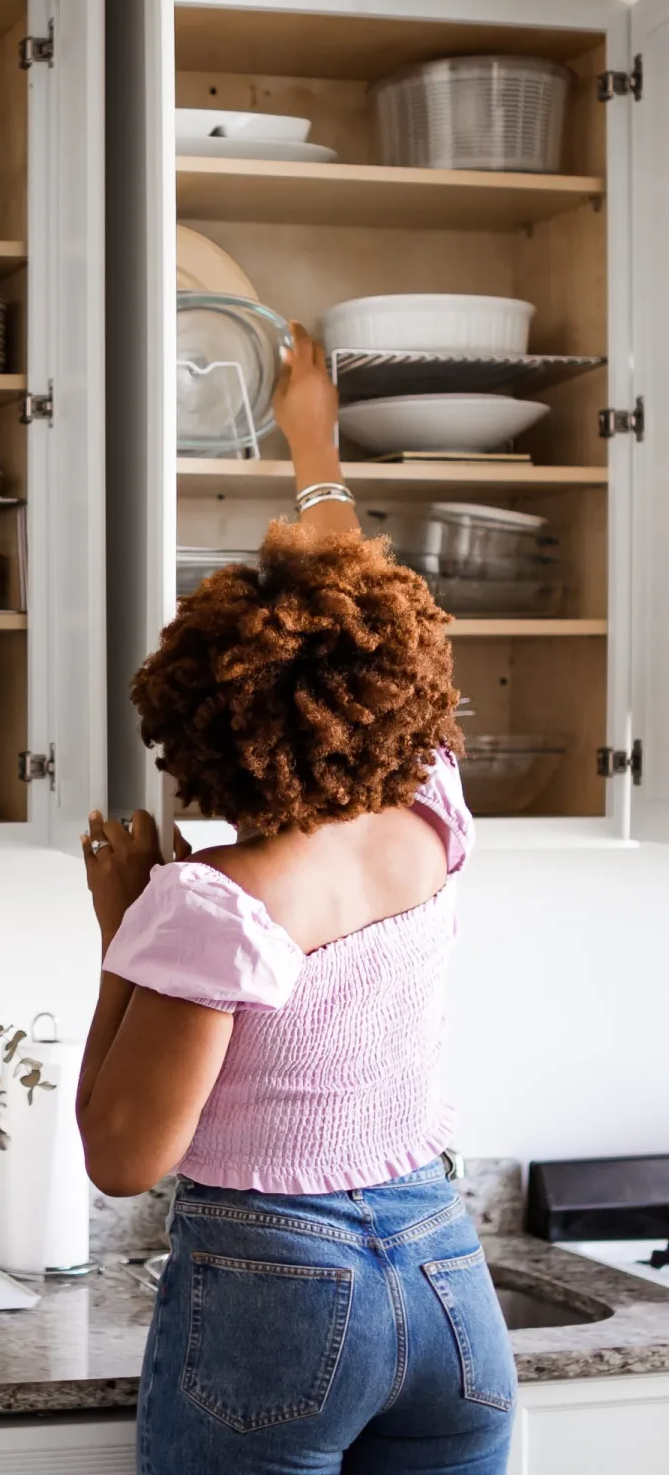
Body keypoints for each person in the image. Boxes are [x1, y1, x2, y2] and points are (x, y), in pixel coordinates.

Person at [76, 325, 516, 1475]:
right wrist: (311, 442)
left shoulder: (213, 906)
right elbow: (351, 604)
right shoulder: (432, 805)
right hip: (446, 1278)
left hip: (282, 1295)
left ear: (198, 734)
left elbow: (123, 1157)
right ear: (388, 689)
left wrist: (125, 940)